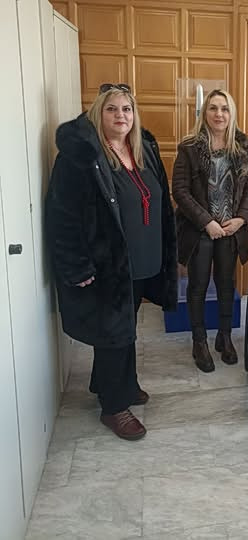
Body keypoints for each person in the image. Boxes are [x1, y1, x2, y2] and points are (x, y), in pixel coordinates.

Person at [46, 83, 178, 441]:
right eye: (112, 109)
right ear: (97, 114)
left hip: (140, 261)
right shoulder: (81, 157)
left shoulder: (143, 148)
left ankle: (120, 383)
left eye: (127, 109)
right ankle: (113, 406)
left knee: (124, 327)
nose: (121, 115)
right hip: (107, 266)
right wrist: (76, 265)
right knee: (113, 333)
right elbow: (61, 215)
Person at [172, 89, 248, 373]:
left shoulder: (242, 145)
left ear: (231, 114)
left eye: (225, 108)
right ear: (204, 113)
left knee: (226, 284)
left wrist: (241, 219)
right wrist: (206, 221)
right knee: (197, 286)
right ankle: (199, 342)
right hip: (200, 229)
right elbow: (180, 190)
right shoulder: (189, 147)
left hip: (231, 229)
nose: (219, 114)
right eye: (213, 108)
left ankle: (224, 336)